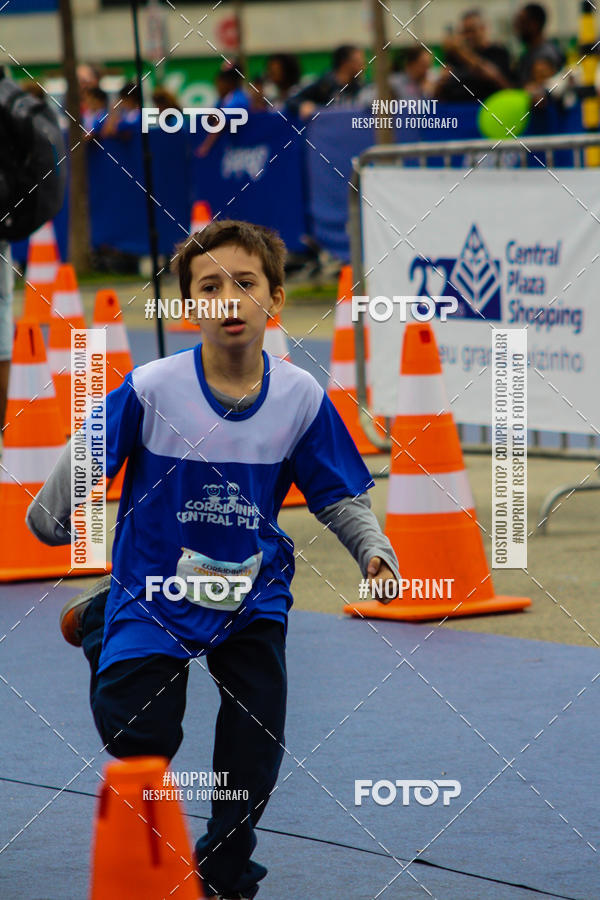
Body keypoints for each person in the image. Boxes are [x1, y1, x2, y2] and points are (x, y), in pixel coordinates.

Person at [26, 219, 400, 900]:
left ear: (275, 300)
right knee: (140, 738)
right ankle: (108, 617)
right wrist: (50, 517)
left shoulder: (300, 398)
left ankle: (226, 871)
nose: (229, 300)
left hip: (249, 596)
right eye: (209, 287)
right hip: (156, 589)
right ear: (189, 306)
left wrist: (373, 550)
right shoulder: (154, 389)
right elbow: (87, 451)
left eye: (245, 284)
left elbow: (339, 494)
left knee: (255, 748)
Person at [436, 9, 512, 103]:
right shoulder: (454, 56)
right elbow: (440, 90)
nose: (468, 36)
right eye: (465, 32)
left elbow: (494, 77)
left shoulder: (498, 52)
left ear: (483, 28)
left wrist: (462, 53)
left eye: (472, 30)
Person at [286, 45, 366, 119]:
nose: (363, 66)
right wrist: (303, 105)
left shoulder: (359, 86)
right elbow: (292, 100)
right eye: (359, 62)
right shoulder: (324, 85)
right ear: (345, 63)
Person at [197, 60, 250, 157]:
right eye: (222, 78)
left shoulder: (239, 98)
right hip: (229, 152)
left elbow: (221, 120)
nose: (220, 83)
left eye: (228, 79)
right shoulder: (222, 100)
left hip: (241, 152)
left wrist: (205, 147)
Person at [513, 3, 564, 87]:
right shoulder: (529, 52)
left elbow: (540, 94)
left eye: (522, 22)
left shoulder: (544, 56)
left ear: (534, 25)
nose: (517, 27)